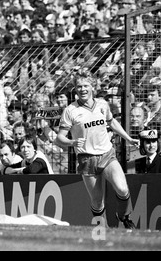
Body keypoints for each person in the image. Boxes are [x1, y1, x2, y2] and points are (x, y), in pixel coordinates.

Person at [56, 71, 140, 229]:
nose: (82, 89)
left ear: (92, 86)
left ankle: (123, 216)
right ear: (75, 89)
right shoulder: (70, 111)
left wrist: (128, 138)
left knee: (122, 189)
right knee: (97, 202)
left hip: (107, 154)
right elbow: (59, 138)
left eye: (86, 85)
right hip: (87, 159)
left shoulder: (102, 104)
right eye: (79, 86)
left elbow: (111, 122)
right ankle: (100, 233)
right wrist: (72, 142)